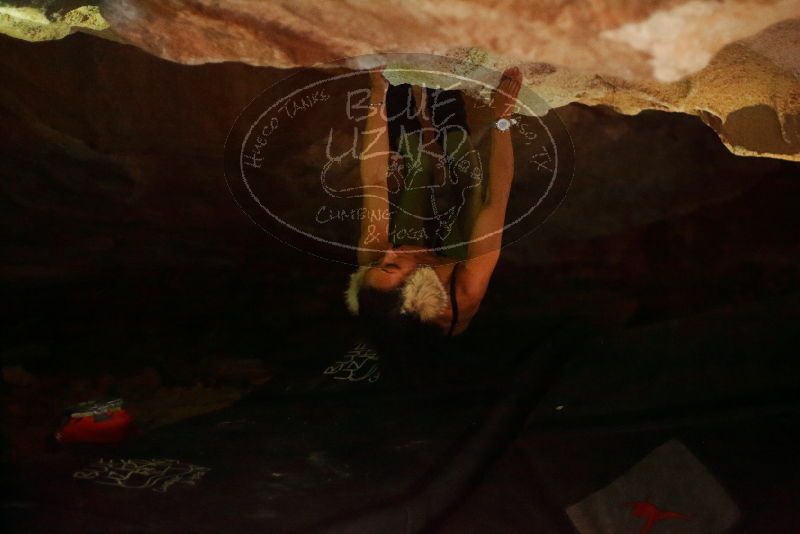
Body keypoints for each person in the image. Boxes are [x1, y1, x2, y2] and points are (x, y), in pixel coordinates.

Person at [344, 65, 522, 347]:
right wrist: (503, 117)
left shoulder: (373, 267)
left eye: (379, 262)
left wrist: (379, 89)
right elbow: (496, 197)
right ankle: (443, 84)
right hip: (444, 284)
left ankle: (405, 75)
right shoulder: (464, 289)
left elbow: (376, 181)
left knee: (419, 165)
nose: (387, 251)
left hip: (416, 276)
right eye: (392, 266)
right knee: (469, 180)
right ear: (419, 281)